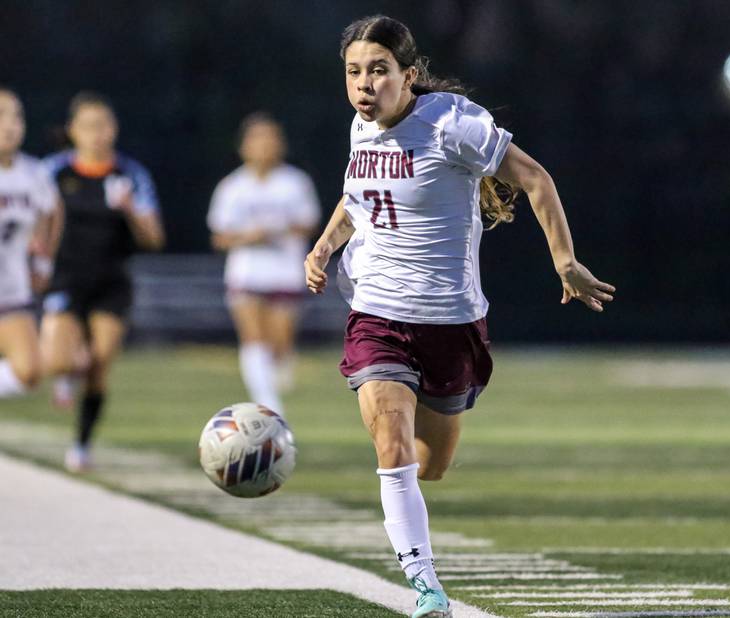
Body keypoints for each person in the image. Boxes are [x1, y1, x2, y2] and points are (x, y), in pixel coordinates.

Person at [304, 15, 615, 618]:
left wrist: (565, 261)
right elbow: (356, 198)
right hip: (377, 312)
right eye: (353, 73)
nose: (364, 85)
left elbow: (533, 177)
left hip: (451, 322)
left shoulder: (452, 122)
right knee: (391, 446)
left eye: (378, 71)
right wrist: (323, 248)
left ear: (408, 75)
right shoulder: (358, 129)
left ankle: (402, 499)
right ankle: (425, 586)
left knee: (433, 464)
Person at [41, 91, 165, 473]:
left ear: (114, 129)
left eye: (104, 125)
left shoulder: (130, 175)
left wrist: (130, 210)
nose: (98, 134)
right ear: (73, 131)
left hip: (111, 280)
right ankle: (66, 373)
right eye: (89, 126)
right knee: (60, 360)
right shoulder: (52, 172)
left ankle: (81, 444)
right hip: (65, 278)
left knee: (99, 363)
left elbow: (154, 239)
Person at [208, 112, 320, 415]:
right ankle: (269, 405)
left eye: (270, 138)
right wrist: (248, 238)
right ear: (244, 146)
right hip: (247, 273)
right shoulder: (232, 187)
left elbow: (309, 223)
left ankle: (273, 381)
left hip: (284, 272)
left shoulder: (295, 182)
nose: (264, 146)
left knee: (279, 344)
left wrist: (276, 230)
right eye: (257, 139)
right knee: (253, 337)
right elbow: (220, 237)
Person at [0, 87, 60, 399]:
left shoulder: (33, 173)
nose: (10, 125)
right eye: (1, 116)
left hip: (11, 290)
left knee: (29, 372)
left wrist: (43, 259)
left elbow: (51, 212)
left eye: (17, 117)